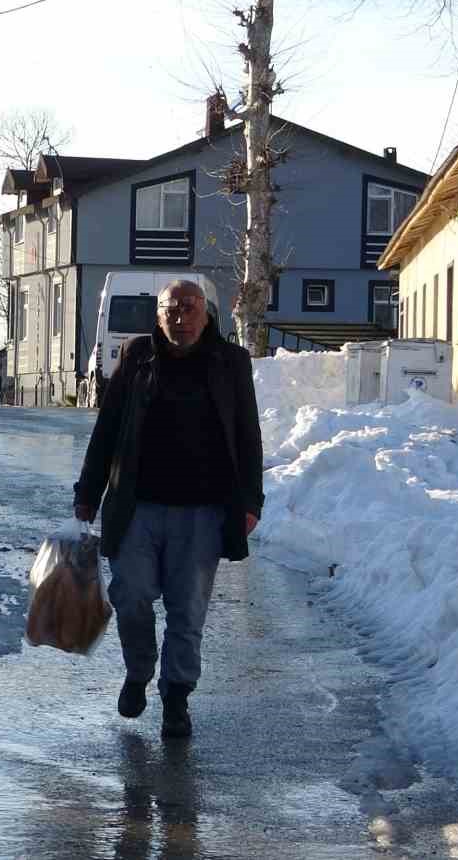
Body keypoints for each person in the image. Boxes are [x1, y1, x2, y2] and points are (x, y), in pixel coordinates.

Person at [72, 280, 263, 739]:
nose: (181, 317)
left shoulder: (231, 362)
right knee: (130, 595)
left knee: (187, 611)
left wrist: (250, 501)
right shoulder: (138, 356)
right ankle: (139, 670)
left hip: (203, 511)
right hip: (138, 506)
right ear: (158, 316)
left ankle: (176, 696)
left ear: (207, 314)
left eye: (190, 308)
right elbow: (107, 427)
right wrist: (88, 492)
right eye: (171, 309)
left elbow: (248, 434)